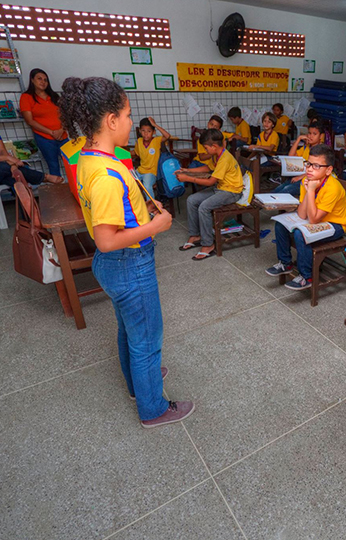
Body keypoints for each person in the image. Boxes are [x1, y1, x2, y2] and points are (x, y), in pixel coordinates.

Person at [58, 76, 193, 428]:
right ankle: (153, 408)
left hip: (116, 266)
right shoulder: (104, 174)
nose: (133, 123)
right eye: (129, 115)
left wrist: (144, 211)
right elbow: (105, 239)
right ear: (111, 121)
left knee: (129, 329)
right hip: (128, 262)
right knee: (147, 339)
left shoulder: (88, 156)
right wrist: (155, 226)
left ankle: (139, 382)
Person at [265, 144, 346, 291]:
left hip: (336, 225)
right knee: (280, 224)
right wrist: (307, 188)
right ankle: (285, 263)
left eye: (316, 166)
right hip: (316, 218)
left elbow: (314, 220)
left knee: (301, 234)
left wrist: (310, 191)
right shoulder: (309, 181)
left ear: (328, 170)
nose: (309, 169)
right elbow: (302, 214)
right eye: (308, 164)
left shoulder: (332, 187)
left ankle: (307, 276)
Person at [176, 129, 245, 260]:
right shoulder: (217, 154)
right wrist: (188, 170)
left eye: (206, 148)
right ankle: (195, 235)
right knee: (191, 200)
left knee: (204, 207)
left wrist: (188, 178)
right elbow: (209, 168)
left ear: (214, 146)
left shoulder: (225, 158)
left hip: (232, 191)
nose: (205, 151)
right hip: (220, 187)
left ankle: (208, 244)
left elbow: (210, 181)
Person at [20, 68, 68, 176]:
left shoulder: (54, 96)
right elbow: (30, 121)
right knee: (53, 166)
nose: (43, 82)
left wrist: (61, 130)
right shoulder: (26, 97)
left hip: (63, 136)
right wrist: (51, 132)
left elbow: (65, 115)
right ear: (32, 80)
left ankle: (77, 190)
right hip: (45, 138)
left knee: (72, 164)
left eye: (45, 80)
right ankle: (57, 192)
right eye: (39, 79)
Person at [275, 122, 323, 195]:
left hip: (311, 180)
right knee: (278, 189)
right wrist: (298, 139)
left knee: (286, 189)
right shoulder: (306, 147)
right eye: (309, 133)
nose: (311, 136)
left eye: (314, 134)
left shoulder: (321, 150)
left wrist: (300, 177)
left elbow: (318, 171)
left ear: (321, 136)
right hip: (300, 176)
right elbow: (291, 156)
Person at [131, 117, 171, 200]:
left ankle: (152, 206)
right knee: (128, 180)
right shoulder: (139, 141)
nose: (146, 134)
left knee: (147, 187)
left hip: (151, 172)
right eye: (143, 131)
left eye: (149, 131)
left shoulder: (156, 141)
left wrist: (154, 125)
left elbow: (167, 136)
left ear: (154, 132)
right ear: (140, 131)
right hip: (140, 170)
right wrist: (121, 154)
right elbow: (135, 152)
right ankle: (136, 204)